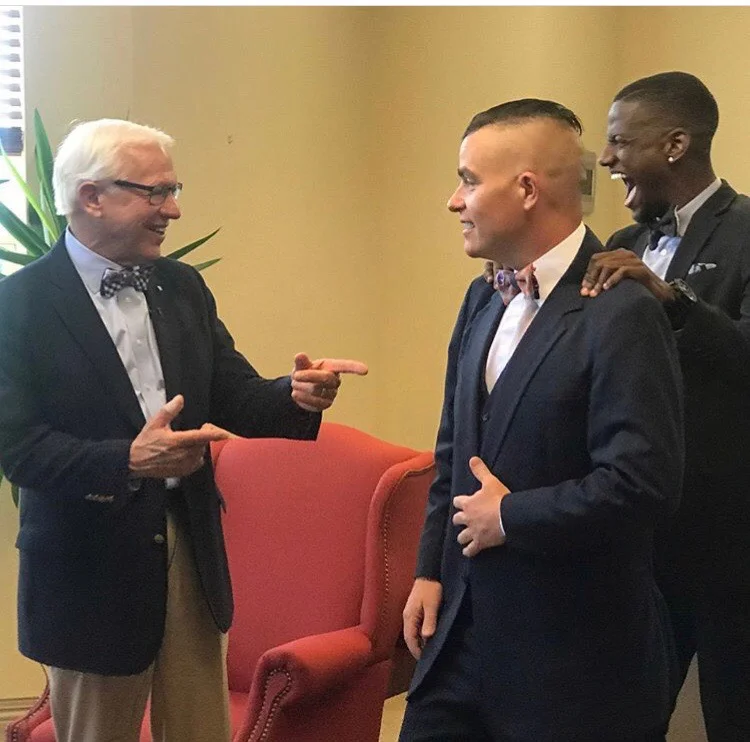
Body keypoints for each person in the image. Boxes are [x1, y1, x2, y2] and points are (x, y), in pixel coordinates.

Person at [0, 118, 367, 742]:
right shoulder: (19, 305)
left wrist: (296, 394)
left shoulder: (182, 285)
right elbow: (19, 449)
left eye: (173, 190)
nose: (173, 209)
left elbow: (233, 393)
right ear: (91, 196)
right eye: (155, 192)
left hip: (191, 550)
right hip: (89, 571)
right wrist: (128, 459)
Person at [398, 99, 684, 742]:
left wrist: (510, 517)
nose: (454, 200)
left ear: (527, 190)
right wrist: (430, 569)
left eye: (469, 181)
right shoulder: (481, 297)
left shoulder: (623, 312)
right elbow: (453, 450)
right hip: (460, 643)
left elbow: (644, 484)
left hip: (572, 659)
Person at [582, 71, 750, 742]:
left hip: (731, 539)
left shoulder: (747, 231)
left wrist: (674, 302)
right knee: (623, 715)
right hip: (640, 533)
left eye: (621, 141)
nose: (606, 158)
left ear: (675, 145)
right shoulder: (621, 242)